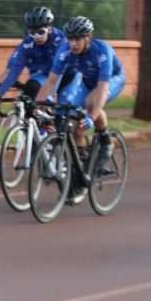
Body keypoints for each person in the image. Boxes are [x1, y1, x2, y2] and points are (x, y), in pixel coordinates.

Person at [34, 16, 125, 203]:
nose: (73, 43)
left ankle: (106, 140)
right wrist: (36, 105)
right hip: (87, 81)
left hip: (111, 81)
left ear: (88, 38)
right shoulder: (66, 50)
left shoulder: (102, 51)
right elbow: (51, 80)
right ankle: (82, 168)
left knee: (91, 103)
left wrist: (91, 117)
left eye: (77, 39)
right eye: (70, 39)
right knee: (73, 120)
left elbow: (103, 87)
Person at [0, 6, 77, 107]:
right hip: (47, 75)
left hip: (68, 76)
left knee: (60, 113)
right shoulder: (28, 43)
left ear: (50, 29)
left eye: (41, 32)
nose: (37, 37)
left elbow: (60, 70)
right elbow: (14, 71)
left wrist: (51, 93)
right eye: (33, 33)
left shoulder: (61, 40)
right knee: (30, 91)